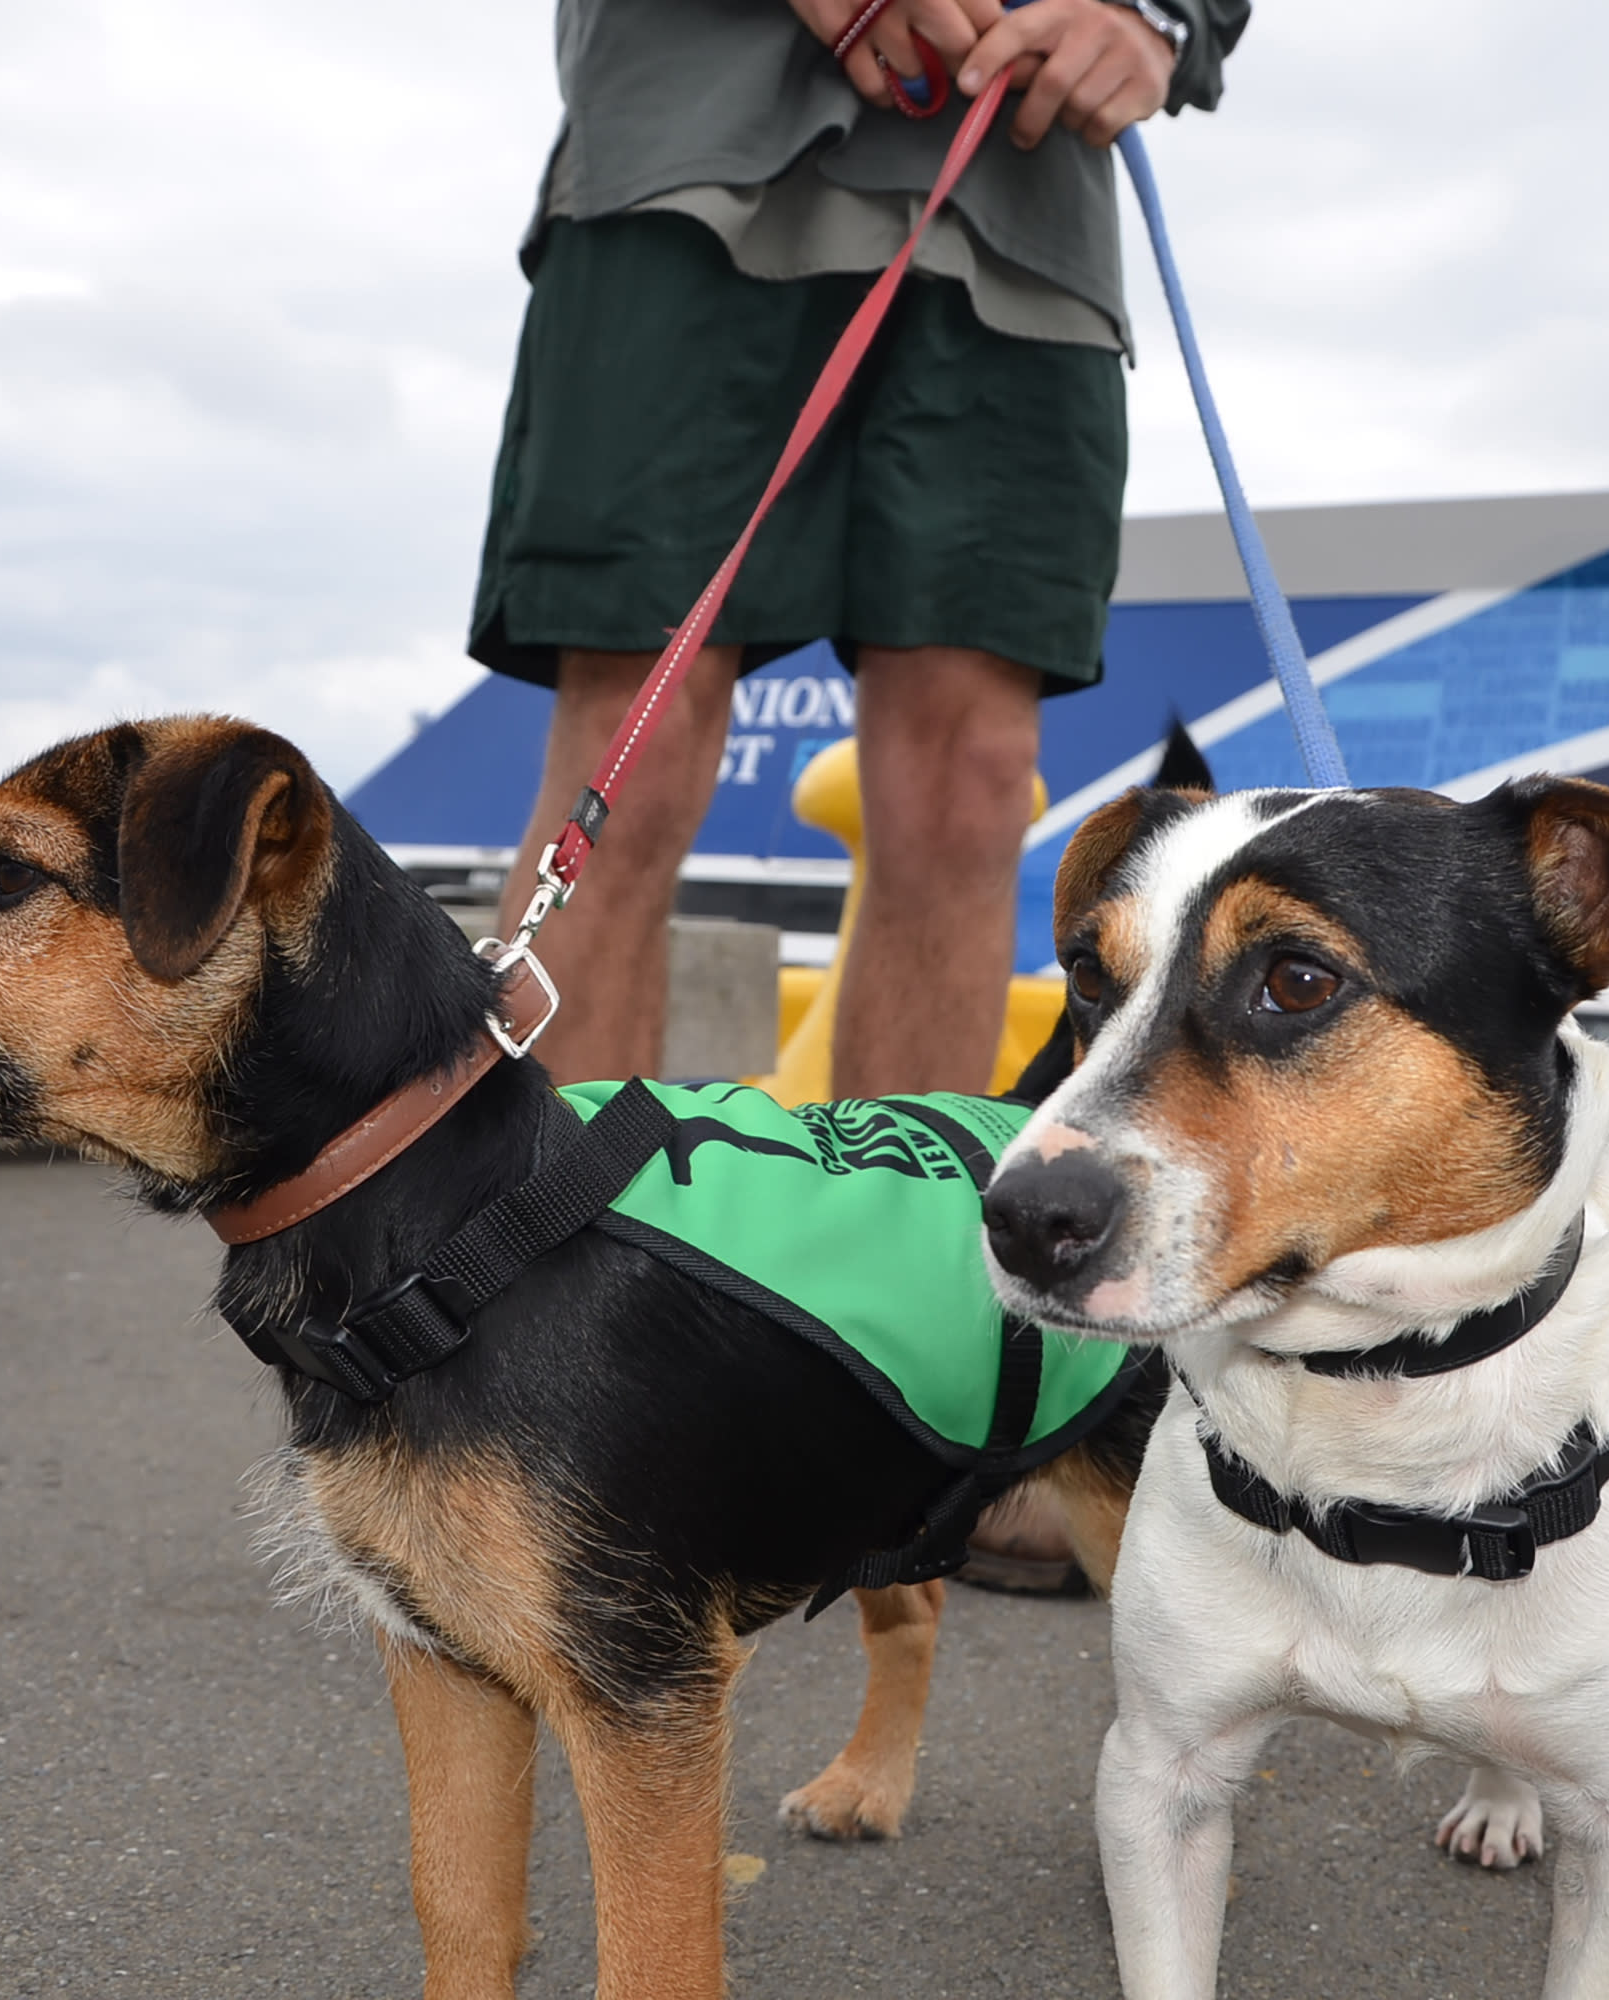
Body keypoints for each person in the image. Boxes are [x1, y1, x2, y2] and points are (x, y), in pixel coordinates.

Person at [473, 0, 1249, 1582]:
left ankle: (905, 1374)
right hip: (698, 139)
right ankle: (530, 1375)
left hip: (1018, 180)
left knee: (972, 779)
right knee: (644, 717)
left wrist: (1162, 19)